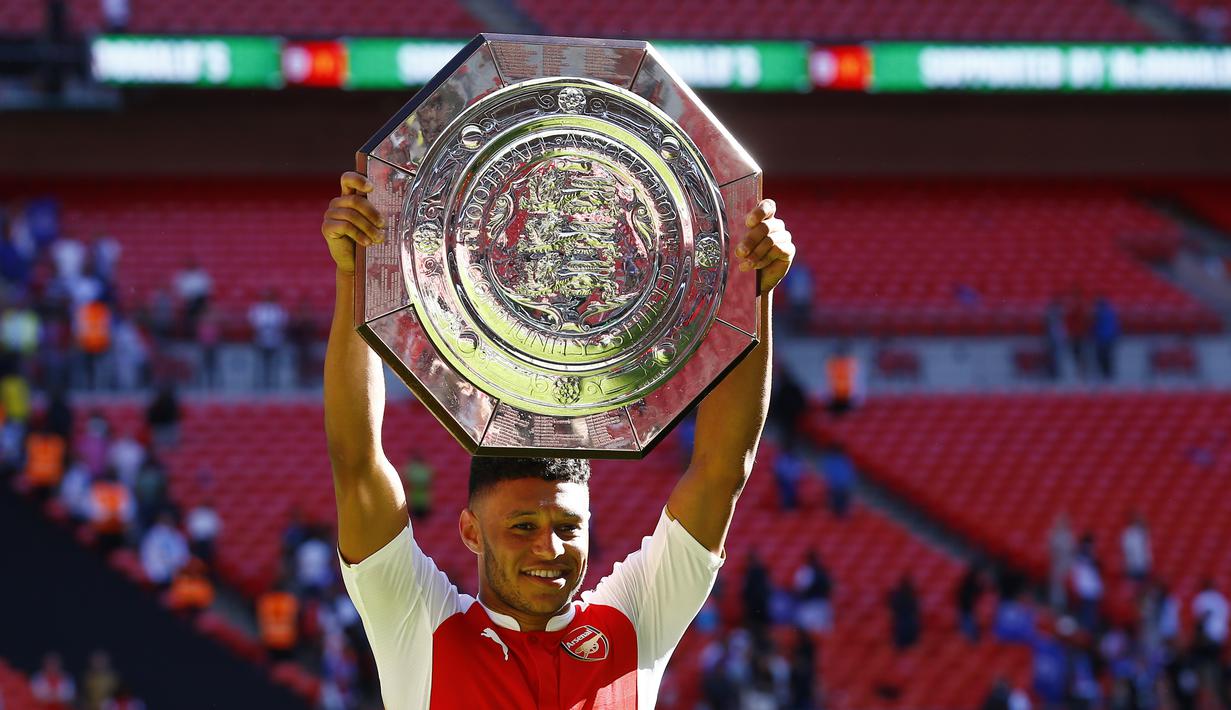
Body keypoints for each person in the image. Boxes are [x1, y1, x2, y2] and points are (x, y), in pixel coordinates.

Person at [320, 170, 794, 709]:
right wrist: (354, 277)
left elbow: (721, 469)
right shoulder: (416, 625)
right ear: (470, 531)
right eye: (523, 526)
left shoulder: (635, 623)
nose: (550, 548)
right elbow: (356, 462)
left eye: (569, 526)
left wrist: (753, 287)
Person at [888, 574, 920, 650]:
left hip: (902, 623)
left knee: (902, 645)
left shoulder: (898, 595)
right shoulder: (912, 594)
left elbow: (893, 606)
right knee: (911, 645)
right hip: (909, 622)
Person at [1119, 512, 1151, 582]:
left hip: (1143, 565)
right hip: (1132, 566)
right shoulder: (1128, 534)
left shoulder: (1142, 533)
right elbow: (1126, 551)